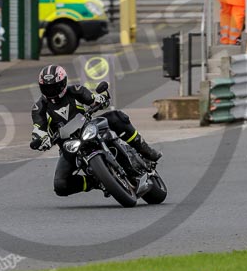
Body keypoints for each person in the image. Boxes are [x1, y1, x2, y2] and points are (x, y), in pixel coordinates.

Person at [29, 64, 161, 196]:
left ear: (63, 83)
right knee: (60, 185)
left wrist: (101, 99)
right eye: (47, 88)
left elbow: (91, 98)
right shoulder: (39, 108)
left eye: (54, 87)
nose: (51, 91)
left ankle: (145, 150)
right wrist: (40, 140)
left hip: (89, 128)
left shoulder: (75, 90)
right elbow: (38, 129)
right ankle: (95, 181)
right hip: (68, 146)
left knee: (116, 117)